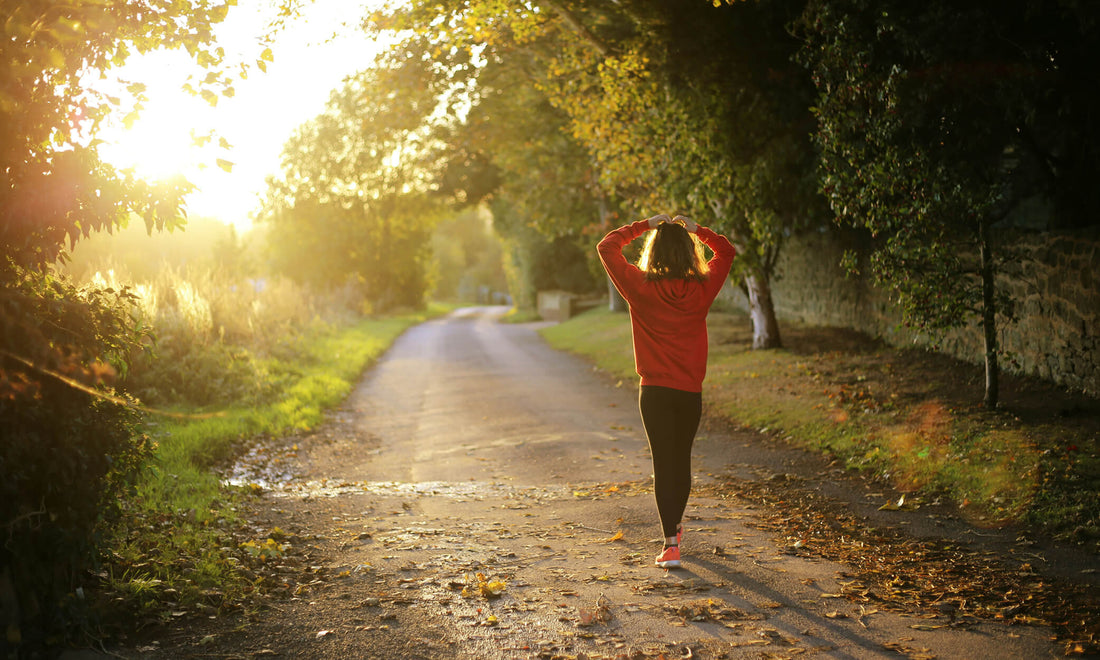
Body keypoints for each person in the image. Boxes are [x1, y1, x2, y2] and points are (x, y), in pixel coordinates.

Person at [597, 213, 736, 568]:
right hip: (689, 391)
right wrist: (698, 230)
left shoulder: (639, 287)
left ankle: (671, 543)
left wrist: (644, 225)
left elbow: (607, 246)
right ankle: (674, 528)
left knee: (664, 463)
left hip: (655, 392)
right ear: (690, 253)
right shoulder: (703, 288)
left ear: (654, 252)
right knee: (681, 460)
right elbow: (727, 251)